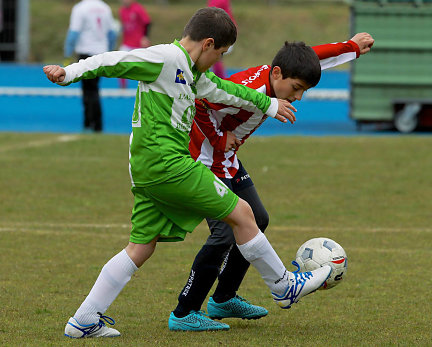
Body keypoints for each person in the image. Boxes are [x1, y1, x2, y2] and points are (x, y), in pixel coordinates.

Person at [43, 7, 332, 339]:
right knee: (243, 214)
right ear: (208, 44)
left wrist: (268, 105)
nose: (219, 58)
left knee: (141, 246)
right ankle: (283, 285)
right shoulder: (164, 58)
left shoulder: (194, 73)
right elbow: (113, 60)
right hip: (167, 164)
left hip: (148, 168)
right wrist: (69, 73)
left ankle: (83, 320)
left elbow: (227, 90)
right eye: (221, 53)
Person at [169, 33, 375, 331]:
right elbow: (199, 100)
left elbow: (312, 56)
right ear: (277, 74)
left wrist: (351, 48)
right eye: (296, 89)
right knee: (226, 232)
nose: (297, 97)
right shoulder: (249, 88)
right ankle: (184, 311)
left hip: (226, 161)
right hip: (202, 161)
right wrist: (217, 137)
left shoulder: (280, 72)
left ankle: (223, 298)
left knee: (258, 219)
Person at [64, 0, 120, 133]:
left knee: (88, 90)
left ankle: (92, 124)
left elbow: (73, 33)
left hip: (86, 53)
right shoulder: (105, 7)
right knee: (94, 88)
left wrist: (67, 54)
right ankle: (93, 123)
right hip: (101, 53)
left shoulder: (80, 8)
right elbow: (112, 34)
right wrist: (109, 51)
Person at [118, 0, 151, 89]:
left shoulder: (138, 9)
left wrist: (145, 37)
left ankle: (147, 86)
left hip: (138, 43)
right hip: (127, 43)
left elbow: (147, 22)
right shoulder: (122, 10)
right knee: (120, 62)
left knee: (143, 65)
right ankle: (123, 86)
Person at [207, 0, 236, 78]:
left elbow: (212, 14)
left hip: (222, 29)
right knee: (216, 57)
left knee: (216, 56)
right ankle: (221, 79)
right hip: (225, 27)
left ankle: (221, 79)